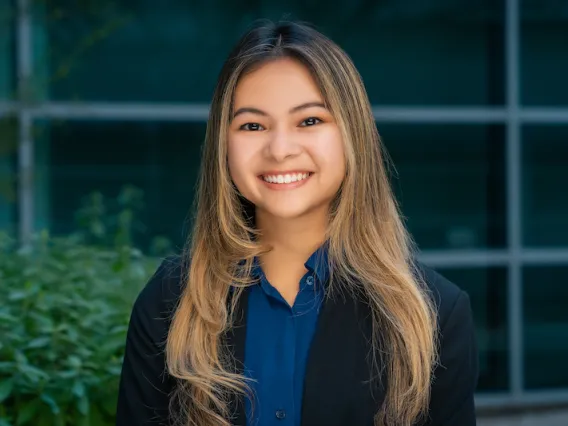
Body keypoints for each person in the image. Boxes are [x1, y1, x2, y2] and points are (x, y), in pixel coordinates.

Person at [116, 20, 478, 426]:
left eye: (309, 121)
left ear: (351, 135)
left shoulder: (434, 315)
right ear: (224, 144)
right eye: (252, 125)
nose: (281, 149)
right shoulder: (170, 302)